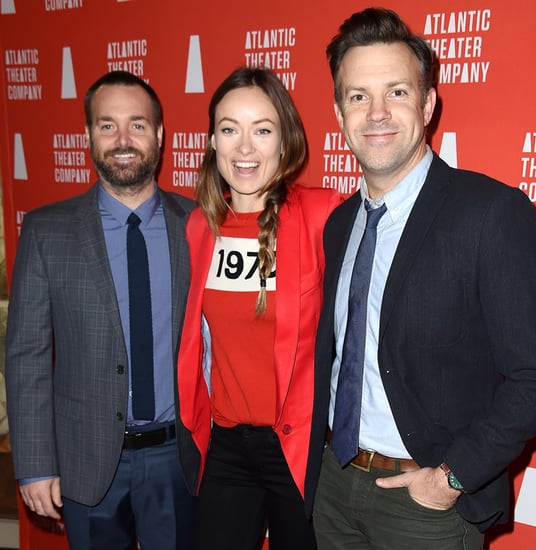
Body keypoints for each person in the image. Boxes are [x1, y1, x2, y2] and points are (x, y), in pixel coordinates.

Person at [304, 7, 536, 550]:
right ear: (339, 112)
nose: (376, 113)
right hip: (335, 488)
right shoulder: (340, 223)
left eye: (396, 91)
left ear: (428, 103)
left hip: (428, 508)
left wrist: (449, 478)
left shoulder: (492, 213)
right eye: (358, 96)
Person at [6, 70, 196, 550]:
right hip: (83, 461)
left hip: (178, 459)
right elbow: (27, 356)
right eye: (107, 125)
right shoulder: (47, 232)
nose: (123, 139)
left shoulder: (198, 224)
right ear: (89, 135)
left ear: (159, 134)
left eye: (137, 124)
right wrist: (35, 463)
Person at [175, 66, 341, 550]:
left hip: (299, 446)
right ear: (212, 141)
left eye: (262, 130)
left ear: (285, 141)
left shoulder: (323, 214)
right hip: (225, 446)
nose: (244, 148)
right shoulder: (199, 229)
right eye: (230, 129)